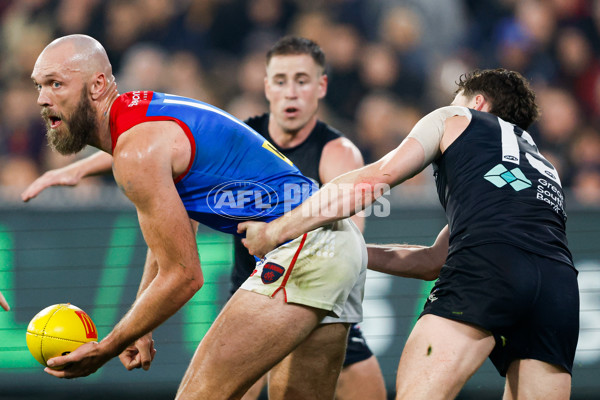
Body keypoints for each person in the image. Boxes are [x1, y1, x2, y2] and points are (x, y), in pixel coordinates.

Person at [22, 36, 390, 400]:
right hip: (337, 247)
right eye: (40, 86)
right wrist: (139, 329)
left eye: (56, 84)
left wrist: (108, 346)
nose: (42, 98)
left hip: (304, 245)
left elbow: (184, 275)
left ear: (98, 85)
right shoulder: (143, 115)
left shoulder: (136, 150)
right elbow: (170, 240)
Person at [239, 68, 580, 399]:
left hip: (488, 267)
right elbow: (435, 261)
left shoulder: (455, 118)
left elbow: (375, 179)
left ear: (476, 103)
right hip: (558, 290)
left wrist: (276, 232)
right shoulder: (542, 166)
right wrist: (351, 249)